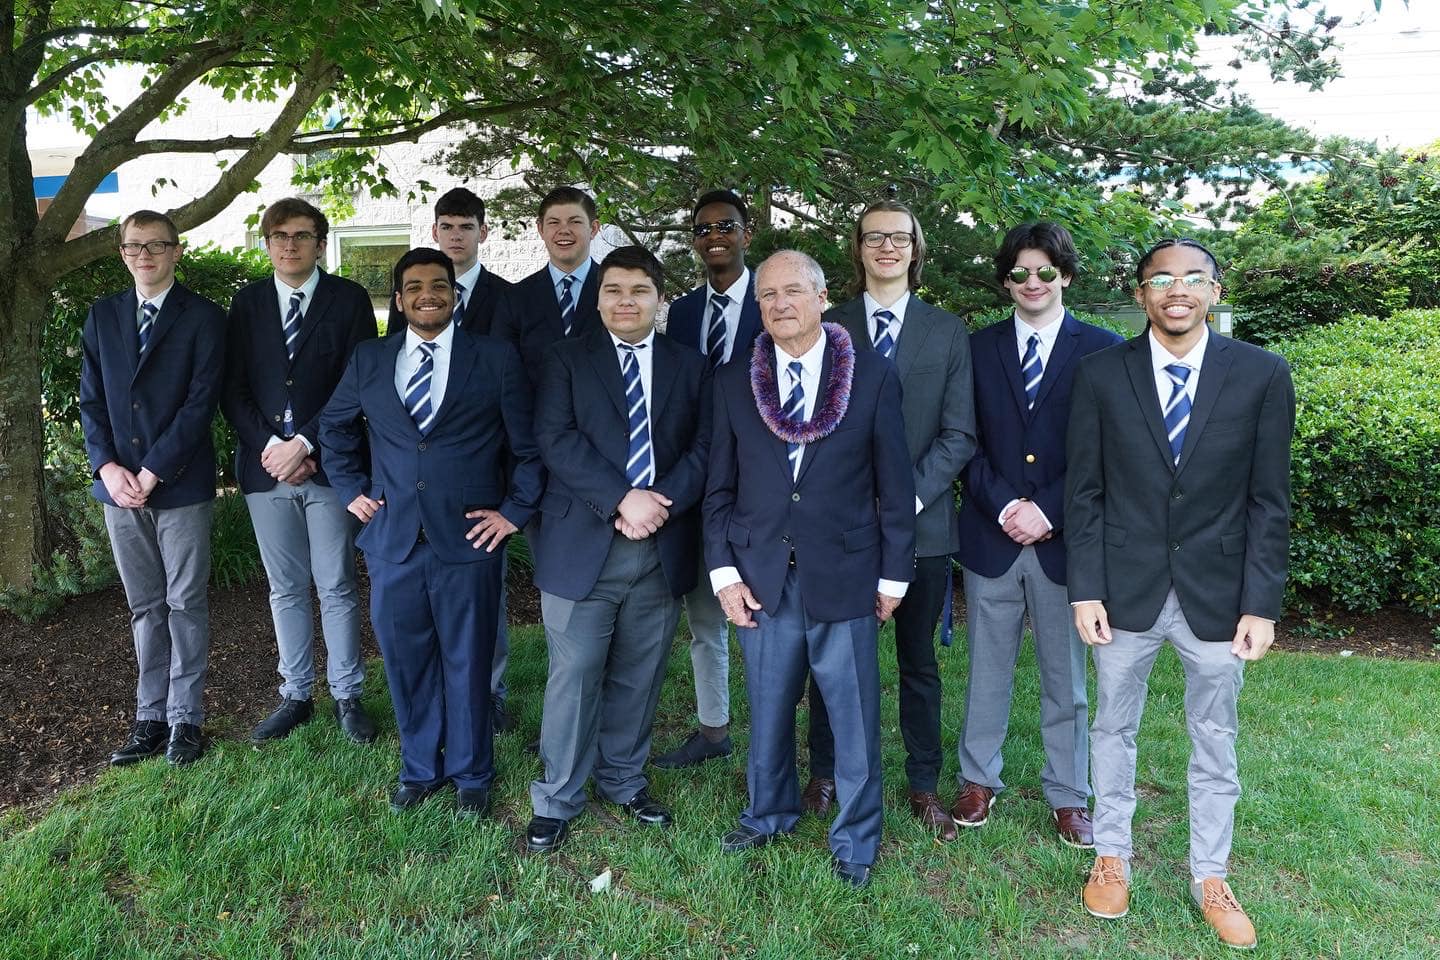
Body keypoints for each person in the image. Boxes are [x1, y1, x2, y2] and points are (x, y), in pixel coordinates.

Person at [1067, 238, 1295, 950]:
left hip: (1219, 596)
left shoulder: (1261, 375)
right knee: (1111, 728)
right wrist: (1085, 589)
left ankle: (1210, 875)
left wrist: (1261, 603)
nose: (1177, 289)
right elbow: (1084, 493)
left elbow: (1268, 501)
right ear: (1140, 294)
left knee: (1215, 736)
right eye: (1160, 278)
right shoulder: (1101, 375)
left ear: (1215, 292)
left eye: (1193, 278)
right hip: (1123, 590)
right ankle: (1112, 855)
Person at [706, 250, 915, 889]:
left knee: (852, 716)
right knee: (768, 708)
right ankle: (768, 812)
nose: (778, 305)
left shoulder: (872, 377)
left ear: (823, 298)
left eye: (792, 292)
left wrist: (893, 576)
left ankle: (856, 836)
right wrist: (723, 574)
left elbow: (894, 483)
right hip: (761, 573)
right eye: (767, 295)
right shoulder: (734, 381)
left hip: (845, 571)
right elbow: (717, 489)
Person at [320, 248, 544, 815]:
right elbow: (335, 427)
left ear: (455, 295)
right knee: (406, 658)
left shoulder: (493, 358)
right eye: (415, 286)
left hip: (468, 537)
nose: (428, 295)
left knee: (468, 659)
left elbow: (527, 447)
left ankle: (472, 773)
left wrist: (514, 511)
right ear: (398, 300)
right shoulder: (370, 359)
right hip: (393, 538)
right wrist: (351, 490)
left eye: (439, 285)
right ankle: (420, 767)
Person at [523, 246, 712, 852]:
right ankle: (557, 796)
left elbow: (705, 448)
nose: (624, 301)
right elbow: (555, 438)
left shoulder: (692, 365)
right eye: (612, 290)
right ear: (597, 297)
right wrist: (622, 498)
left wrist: (660, 502)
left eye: (637, 290)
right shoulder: (564, 360)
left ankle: (624, 779)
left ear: (660, 300)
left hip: (661, 541)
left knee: (640, 672)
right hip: (582, 541)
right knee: (574, 674)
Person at [803, 200, 976, 841]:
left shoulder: (946, 331)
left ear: (915, 249)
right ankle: (823, 771)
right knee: (832, 663)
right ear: (858, 248)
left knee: (918, 664)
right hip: (841, 530)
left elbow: (959, 435)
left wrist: (902, 501)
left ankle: (924, 784)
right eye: (874, 236)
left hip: (922, 530)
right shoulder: (830, 323)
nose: (887, 247)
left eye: (899, 238)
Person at [951, 222, 1122, 846]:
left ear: (1065, 276)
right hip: (991, 537)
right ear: (1005, 281)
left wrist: (1048, 510)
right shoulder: (975, 349)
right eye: (1020, 273)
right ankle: (977, 781)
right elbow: (961, 440)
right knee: (986, 670)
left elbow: (1106, 450)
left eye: (1045, 272)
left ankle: (1070, 794)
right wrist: (1004, 506)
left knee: (1066, 678)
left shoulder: (1104, 349)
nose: (1032, 282)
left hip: (1063, 541)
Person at [222, 197, 379, 745]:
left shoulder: (349, 300)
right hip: (266, 470)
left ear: (319, 242)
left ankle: (347, 694)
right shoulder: (246, 304)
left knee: (336, 583)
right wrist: (273, 446)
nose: (290, 244)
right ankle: (295, 693)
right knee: (284, 587)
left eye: (302, 235)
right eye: (279, 235)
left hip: (330, 467)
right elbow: (232, 388)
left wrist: (308, 441)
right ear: (267, 243)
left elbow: (357, 380)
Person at [80, 209, 226, 767]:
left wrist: (152, 470)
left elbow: (200, 403)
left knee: (184, 601)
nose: (145, 256)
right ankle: (150, 717)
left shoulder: (204, 318)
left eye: (156, 246)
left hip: (179, 484)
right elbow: (91, 400)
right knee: (145, 606)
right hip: (119, 488)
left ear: (177, 251)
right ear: (122, 253)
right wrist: (107, 469)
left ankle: (185, 720)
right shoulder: (102, 316)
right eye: (134, 247)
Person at [388, 186, 518, 733]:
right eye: (447, 226)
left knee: (485, 597)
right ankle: (441, 701)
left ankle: (490, 689)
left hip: (487, 471)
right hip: (415, 493)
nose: (457, 235)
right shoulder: (416, 296)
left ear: (482, 233)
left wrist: (514, 495)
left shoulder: (507, 299)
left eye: (467, 226)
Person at [651, 189, 762, 769]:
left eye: (726, 225)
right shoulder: (687, 312)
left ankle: (771, 738)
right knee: (704, 614)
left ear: (748, 232)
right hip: (698, 475)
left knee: (767, 620)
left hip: (762, 480)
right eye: (702, 229)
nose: (714, 236)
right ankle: (714, 729)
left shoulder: (772, 300)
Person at [492, 185, 603, 373]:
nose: (564, 230)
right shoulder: (515, 298)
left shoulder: (615, 291)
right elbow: (503, 372)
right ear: (540, 229)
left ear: (593, 229)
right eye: (554, 222)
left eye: (575, 222)